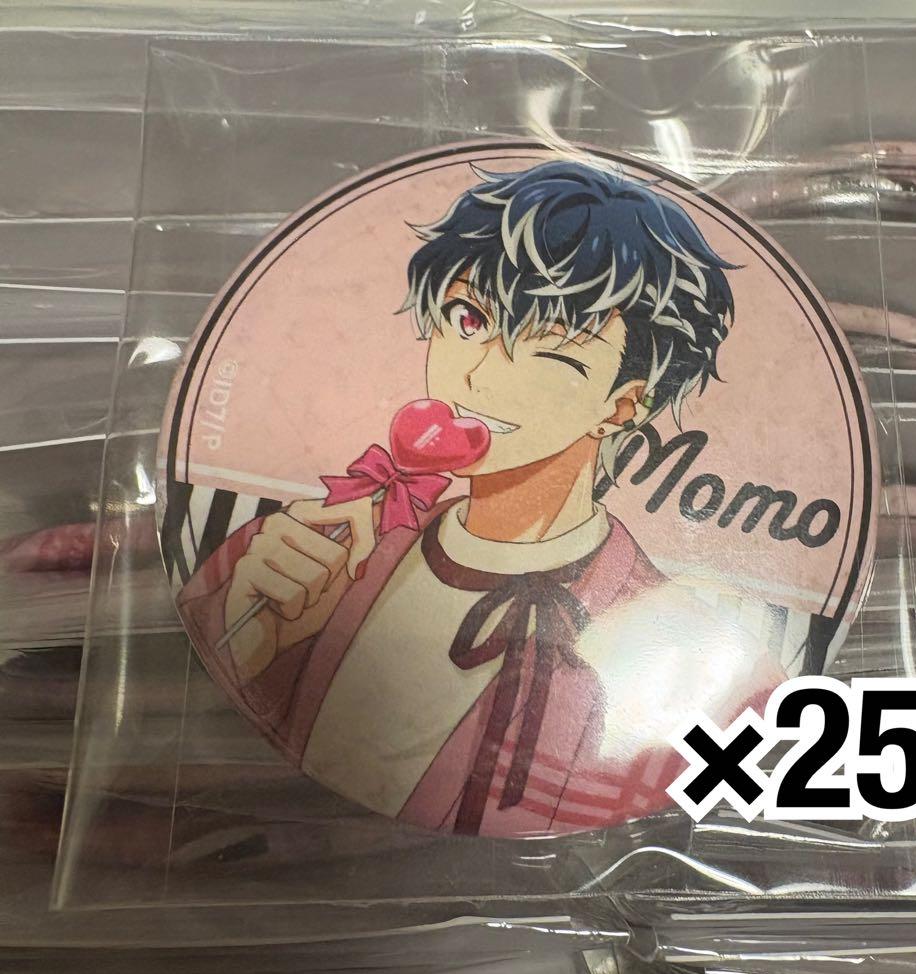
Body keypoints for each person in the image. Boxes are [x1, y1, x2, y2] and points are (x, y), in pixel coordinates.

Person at [178, 159, 781, 836]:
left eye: (551, 351)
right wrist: (254, 642)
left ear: (622, 405)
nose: (478, 375)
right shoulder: (303, 552)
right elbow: (186, 755)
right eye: (467, 320)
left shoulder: (704, 663)